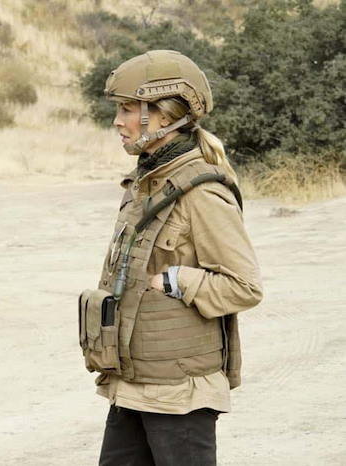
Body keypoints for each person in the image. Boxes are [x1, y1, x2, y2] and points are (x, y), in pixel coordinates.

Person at [78, 50, 263, 466]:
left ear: (163, 116)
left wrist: (177, 280)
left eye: (128, 109)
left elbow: (245, 285)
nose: (118, 121)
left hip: (180, 394)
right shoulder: (144, 184)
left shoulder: (202, 192)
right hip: (131, 383)